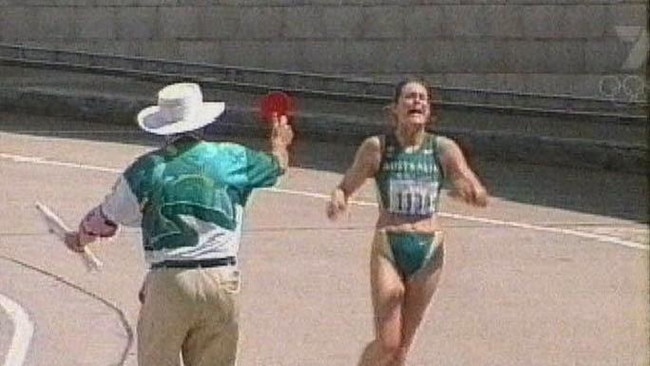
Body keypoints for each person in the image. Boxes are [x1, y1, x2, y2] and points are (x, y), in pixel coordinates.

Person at [63, 82, 294, 366]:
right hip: (221, 278)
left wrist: (80, 238)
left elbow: (105, 218)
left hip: (169, 282)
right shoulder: (231, 157)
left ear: (163, 126)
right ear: (202, 119)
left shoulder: (145, 169)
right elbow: (277, 165)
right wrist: (279, 140)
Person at [326, 78, 487, 366]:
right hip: (390, 244)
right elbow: (346, 185)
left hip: (429, 250)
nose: (417, 103)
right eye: (410, 97)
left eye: (423, 98)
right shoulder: (377, 147)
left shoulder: (443, 148)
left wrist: (472, 194)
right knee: (387, 343)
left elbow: (475, 188)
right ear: (395, 109)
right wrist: (338, 199)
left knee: (401, 351)